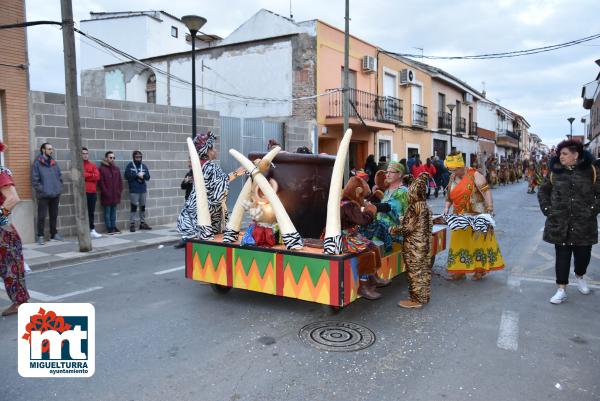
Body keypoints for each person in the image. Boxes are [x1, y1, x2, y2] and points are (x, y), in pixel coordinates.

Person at [537, 139, 600, 304]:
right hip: (560, 223)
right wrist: (548, 211)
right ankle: (561, 289)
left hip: (584, 224)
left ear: (576, 155)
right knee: (562, 256)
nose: (561, 157)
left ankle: (579, 275)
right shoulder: (554, 172)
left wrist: (592, 211)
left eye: (565, 154)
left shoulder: (591, 171)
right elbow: (543, 191)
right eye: (560, 154)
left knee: (583, 256)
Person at [443, 153, 504, 280]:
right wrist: (446, 208)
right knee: (459, 243)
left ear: (461, 166)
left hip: (477, 214)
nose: (452, 172)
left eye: (454, 169)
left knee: (478, 243)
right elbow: (449, 196)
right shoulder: (452, 178)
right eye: (450, 169)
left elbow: (486, 191)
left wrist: (490, 207)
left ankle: (479, 270)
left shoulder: (475, 175)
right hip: (459, 216)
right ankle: (459, 271)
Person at [176, 131, 245, 244]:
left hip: (193, 216)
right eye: (213, 149)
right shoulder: (211, 166)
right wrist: (237, 173)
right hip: (207, 219)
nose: (215, 151)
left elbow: (218, 181)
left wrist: (236, 173)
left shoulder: (201, 166)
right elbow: (219, 189)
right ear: (207, 151)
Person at [0, 141, 30, 316]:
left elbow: (13, 198)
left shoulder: (1, 173)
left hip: (3, 229)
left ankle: (20, 303)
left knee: (11, 267)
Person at [395, 173, 433, 309]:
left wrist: (395, 229)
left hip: (414, 246)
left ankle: (416, 300)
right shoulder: (425, 206)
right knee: (424, 271)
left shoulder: (414, 207)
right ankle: (424, 296)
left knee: (414, 272)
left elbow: (408, 228)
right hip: (425, 244)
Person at [31, 142, 63, 245]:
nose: (51, 150)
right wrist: (43, 190)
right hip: (44, 195)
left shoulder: (54, 162)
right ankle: (40, 235)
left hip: (55, 194)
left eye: (51, 149)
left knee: (54, 215)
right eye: (49, 149)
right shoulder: (37, 163)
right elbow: (34, 180)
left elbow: (59, 175)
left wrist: (58, 187)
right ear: (43, 150)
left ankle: (54, 234)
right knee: (42, 216)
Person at [124, 150, 151, 232]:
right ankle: (132, 224)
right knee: (134, 207)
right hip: (134, 190)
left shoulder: (144, 166)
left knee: (142, 206)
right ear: (134, 157)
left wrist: (144, 176)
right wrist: (136, 175)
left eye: (140, 157)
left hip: (143, 189)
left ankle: (142, 223)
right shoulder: (130, 166)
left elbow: (148, 177)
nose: (138, 158)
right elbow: (126, 176)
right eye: (137, 157)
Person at [99, 151, 122, 234]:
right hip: (107, 195)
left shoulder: (116, 169)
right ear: (106, 158)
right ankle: (109, 228)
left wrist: (119, 191)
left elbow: (120, 181)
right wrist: (105, 192)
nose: (112, 159)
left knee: (113, 213)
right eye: (110, 157)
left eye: (113, 157)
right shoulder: (102, 169)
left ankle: (113, 226)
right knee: (107, 212)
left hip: (115, 194)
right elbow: (101, 182)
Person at [82, 147, 101, 238]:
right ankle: (83, 230)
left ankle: (92, 230)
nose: (85, 155)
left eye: (86, 153)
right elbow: (82, 175)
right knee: (83, 212)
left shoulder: (92, 165)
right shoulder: (78, 165)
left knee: (91, 212)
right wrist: (91, 175)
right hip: (83, 192)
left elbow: (97, 177)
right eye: (83, 153)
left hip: (92, 192)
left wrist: (88, 176)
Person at [174, 161, 194, 249]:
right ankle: (185, 239)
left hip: (195, 201)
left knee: (192, 221)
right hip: (188, 199)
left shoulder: (200, 173)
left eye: (190, 164)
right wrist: (186, 181)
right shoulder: (188, 174)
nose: (189, 165)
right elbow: (182, 186)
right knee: (186, 220)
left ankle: (189, 239)